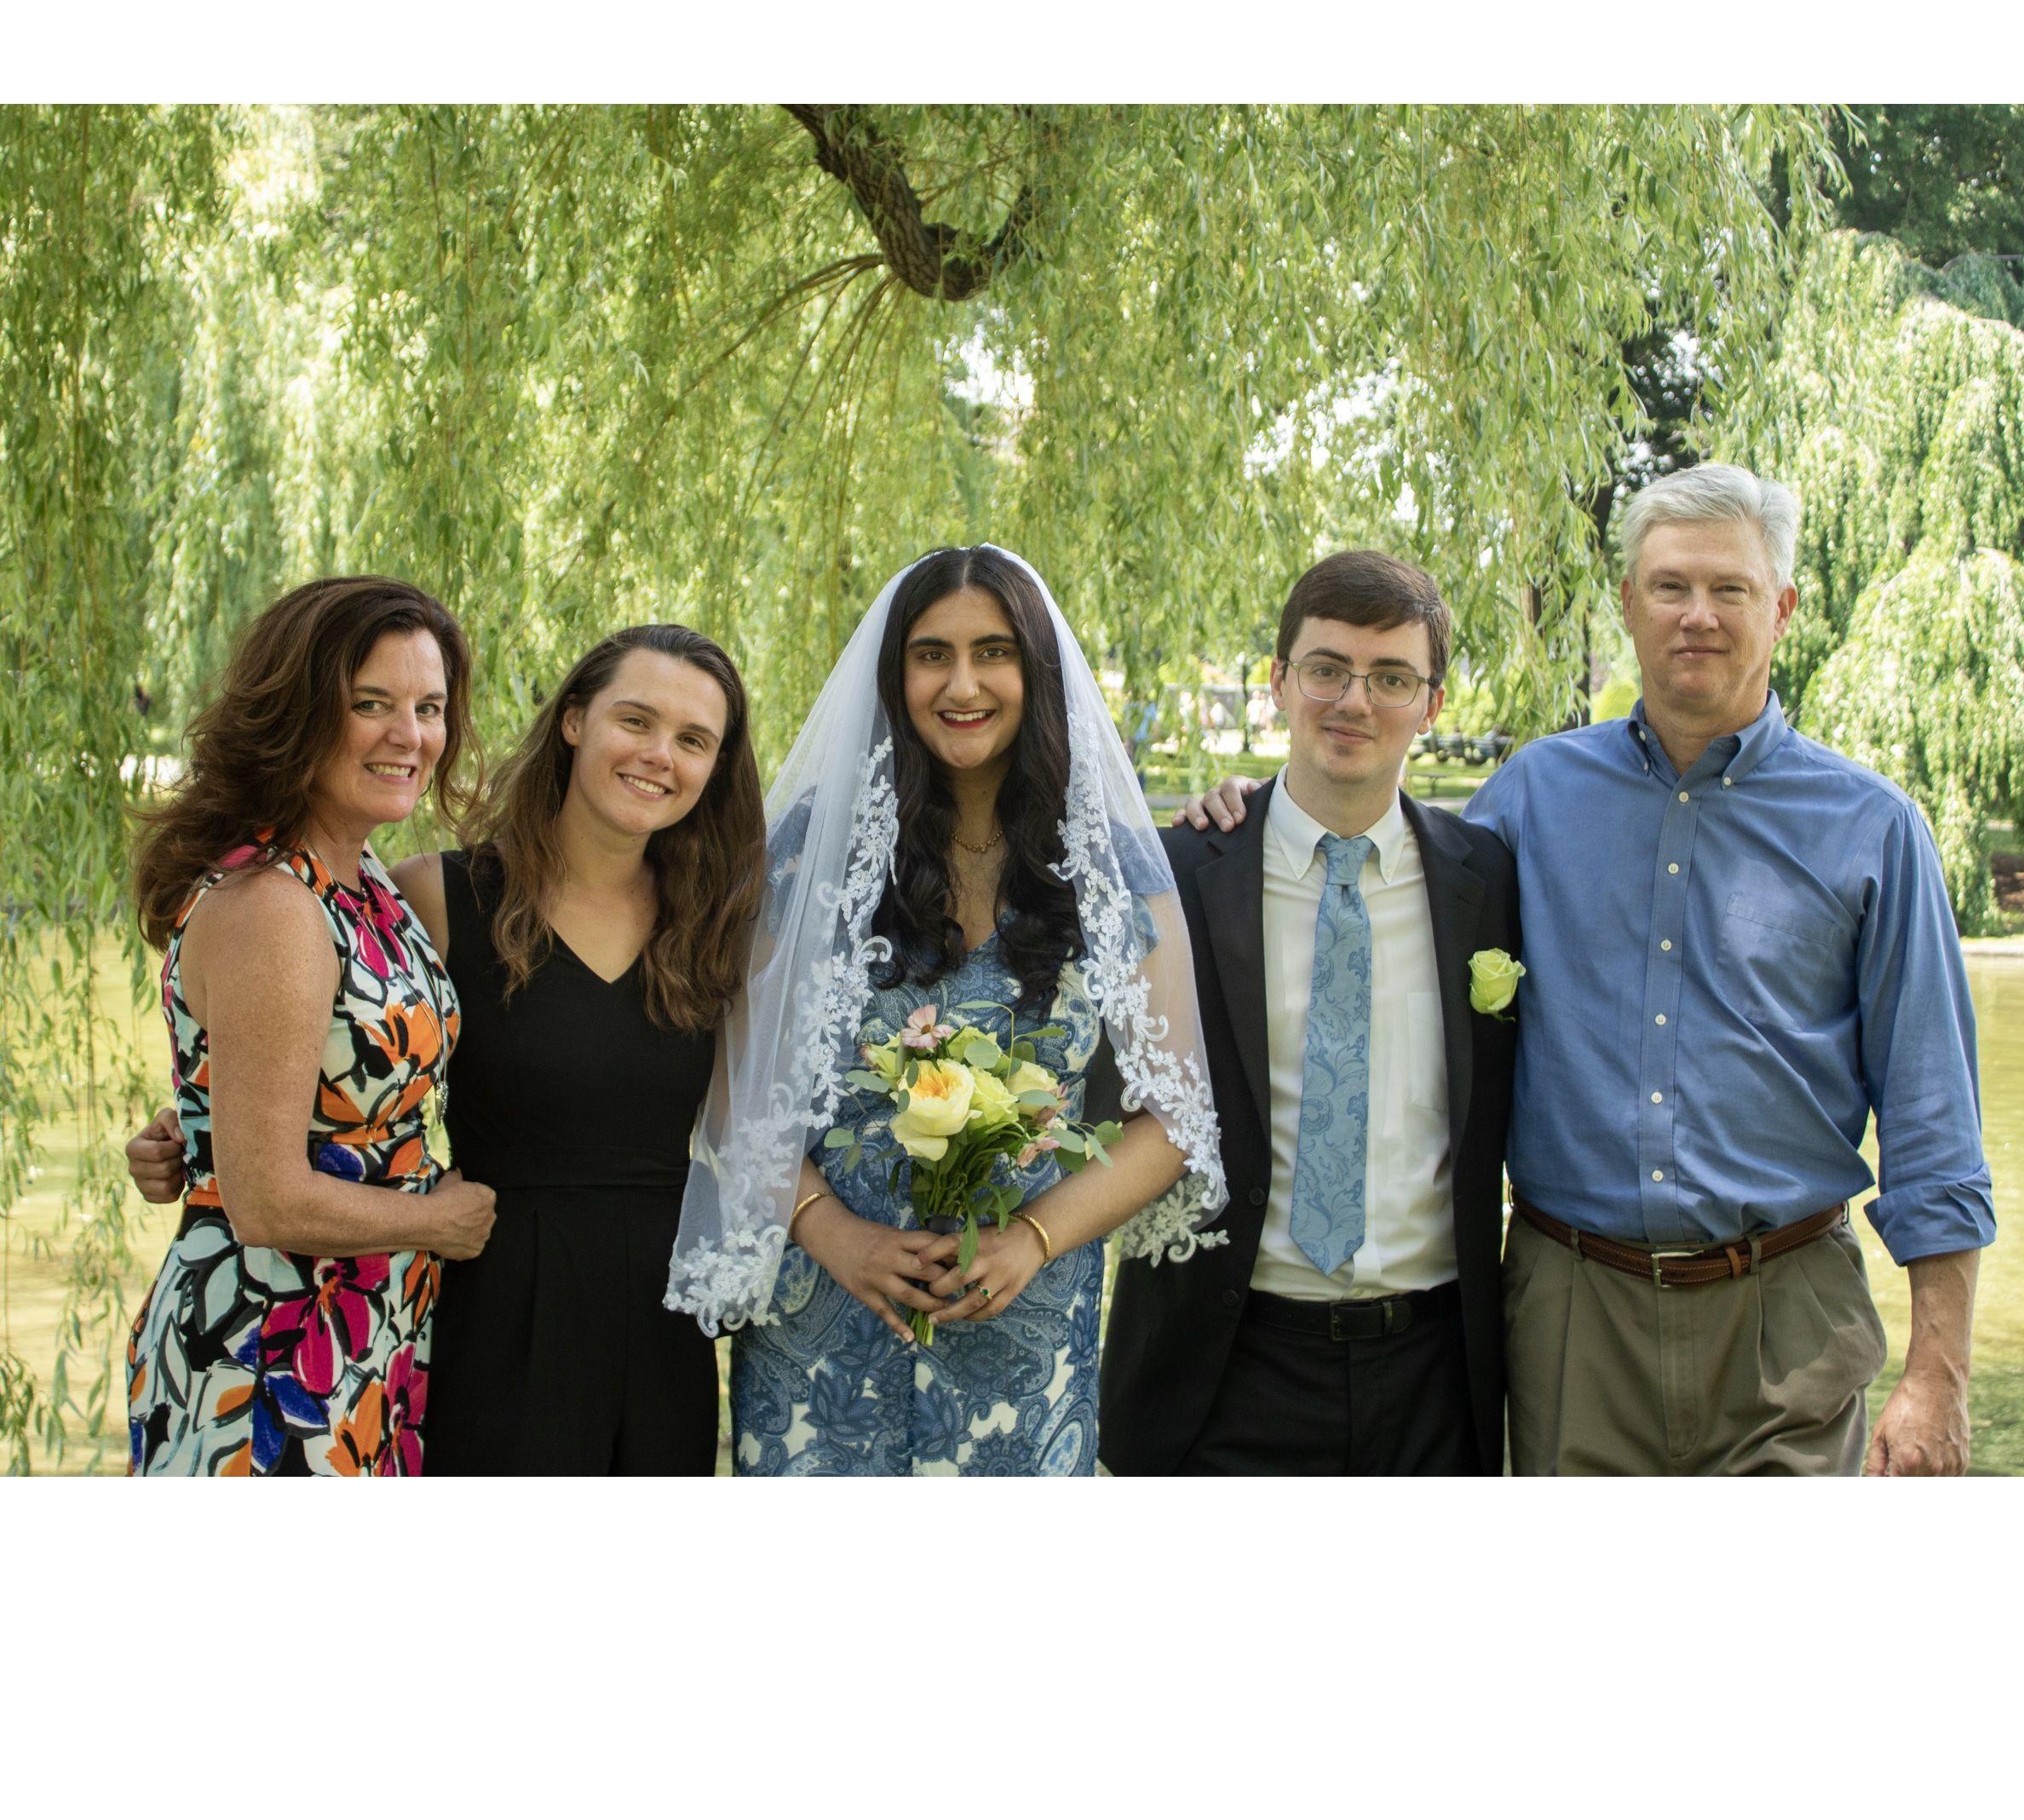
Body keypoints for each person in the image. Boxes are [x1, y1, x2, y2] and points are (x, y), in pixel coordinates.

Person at [129, 623, 763, 1476]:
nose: (659, 755)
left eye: (694, 740)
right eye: (636, 721)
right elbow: (303, 1029)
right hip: (487, 1293)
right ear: (574, 721)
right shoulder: (436, 894)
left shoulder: (723, 922)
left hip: (663, 1311)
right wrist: (198, 1133)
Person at [1464, 464, 1991, 1475]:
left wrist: (1938, 1373)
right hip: (1573, 1312)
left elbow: (1933, 1120)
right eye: (1669, 586)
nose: (1696, 615)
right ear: (1628, 603)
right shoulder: (1530, 798)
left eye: (1730, 589)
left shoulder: (1874, 830)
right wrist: (1253, 820)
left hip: (1787, 1319)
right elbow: (1386, 907)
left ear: (1782, 608)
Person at [666, 544, 1226, 1476]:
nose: (961, 683)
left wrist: (1032, 1241)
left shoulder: (1112, 868)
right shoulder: (808, 854)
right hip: (827, 1315)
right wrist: (830, 1232)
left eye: (993, 652)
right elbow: (737, 1085)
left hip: (1023, 1318)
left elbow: (1175, 1119)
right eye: (932, 655)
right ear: (895, 674)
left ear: (1035, 670)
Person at [1106, 551, 1519, 1475]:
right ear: (1279, 681)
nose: (1355, 702)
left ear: (1433, 704)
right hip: (1222, 1363)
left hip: (1434, 1370)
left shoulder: (1486, 883)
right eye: (1328, 669)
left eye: (1392, 679)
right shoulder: (1178, 879)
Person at [125, 577, 496, 1477]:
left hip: (368, 1325)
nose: (410, 735)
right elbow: (266, 1200)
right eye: (372, 704)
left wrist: (195, 1132)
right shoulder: (278, 904)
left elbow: (287, 1094)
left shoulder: (362, 876)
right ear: (298, 712)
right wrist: (439, 1224)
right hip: (269, 1345)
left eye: (430, 707)